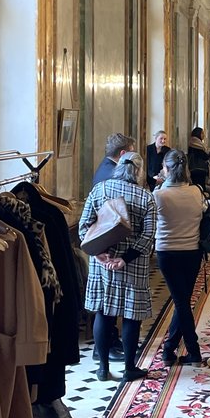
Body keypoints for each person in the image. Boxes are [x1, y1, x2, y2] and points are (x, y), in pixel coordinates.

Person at [79, 151, 156, 383]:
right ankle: (130, 368)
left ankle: (102, 368)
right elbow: (149, 235)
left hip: (102, 264)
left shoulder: (100, 190)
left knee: (103, 313)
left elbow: (84, 227)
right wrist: (126, 258)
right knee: (131, 316)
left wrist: (101, 254)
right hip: (132, 266)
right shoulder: (146, 197)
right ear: (139, 171)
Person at [153, 149, 208, 366]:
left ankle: (194, 351)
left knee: (181, 301)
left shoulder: (159, 195)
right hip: (192, 251)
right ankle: (169, 350)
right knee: (182, 300)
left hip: (167, 252)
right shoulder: (197, 191)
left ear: (166, 169)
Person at [89, 132, 136, 361]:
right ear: (124, 153)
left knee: (107, 305)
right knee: (107, 305)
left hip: (104, 247)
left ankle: (108, 346)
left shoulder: (104, 167)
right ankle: (105, 348)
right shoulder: (111, 175)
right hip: (109, 248)